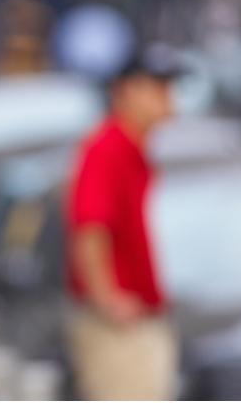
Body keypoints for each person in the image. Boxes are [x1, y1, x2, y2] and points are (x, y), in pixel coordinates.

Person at [64, 46, 180, 400]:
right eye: (156, 87)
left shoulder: (134, 149)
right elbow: (90, 227)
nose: (167, 98)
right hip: (118, 327)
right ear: (124, 91)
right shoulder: (107, 147)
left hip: (140, 316)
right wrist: (107, 298)